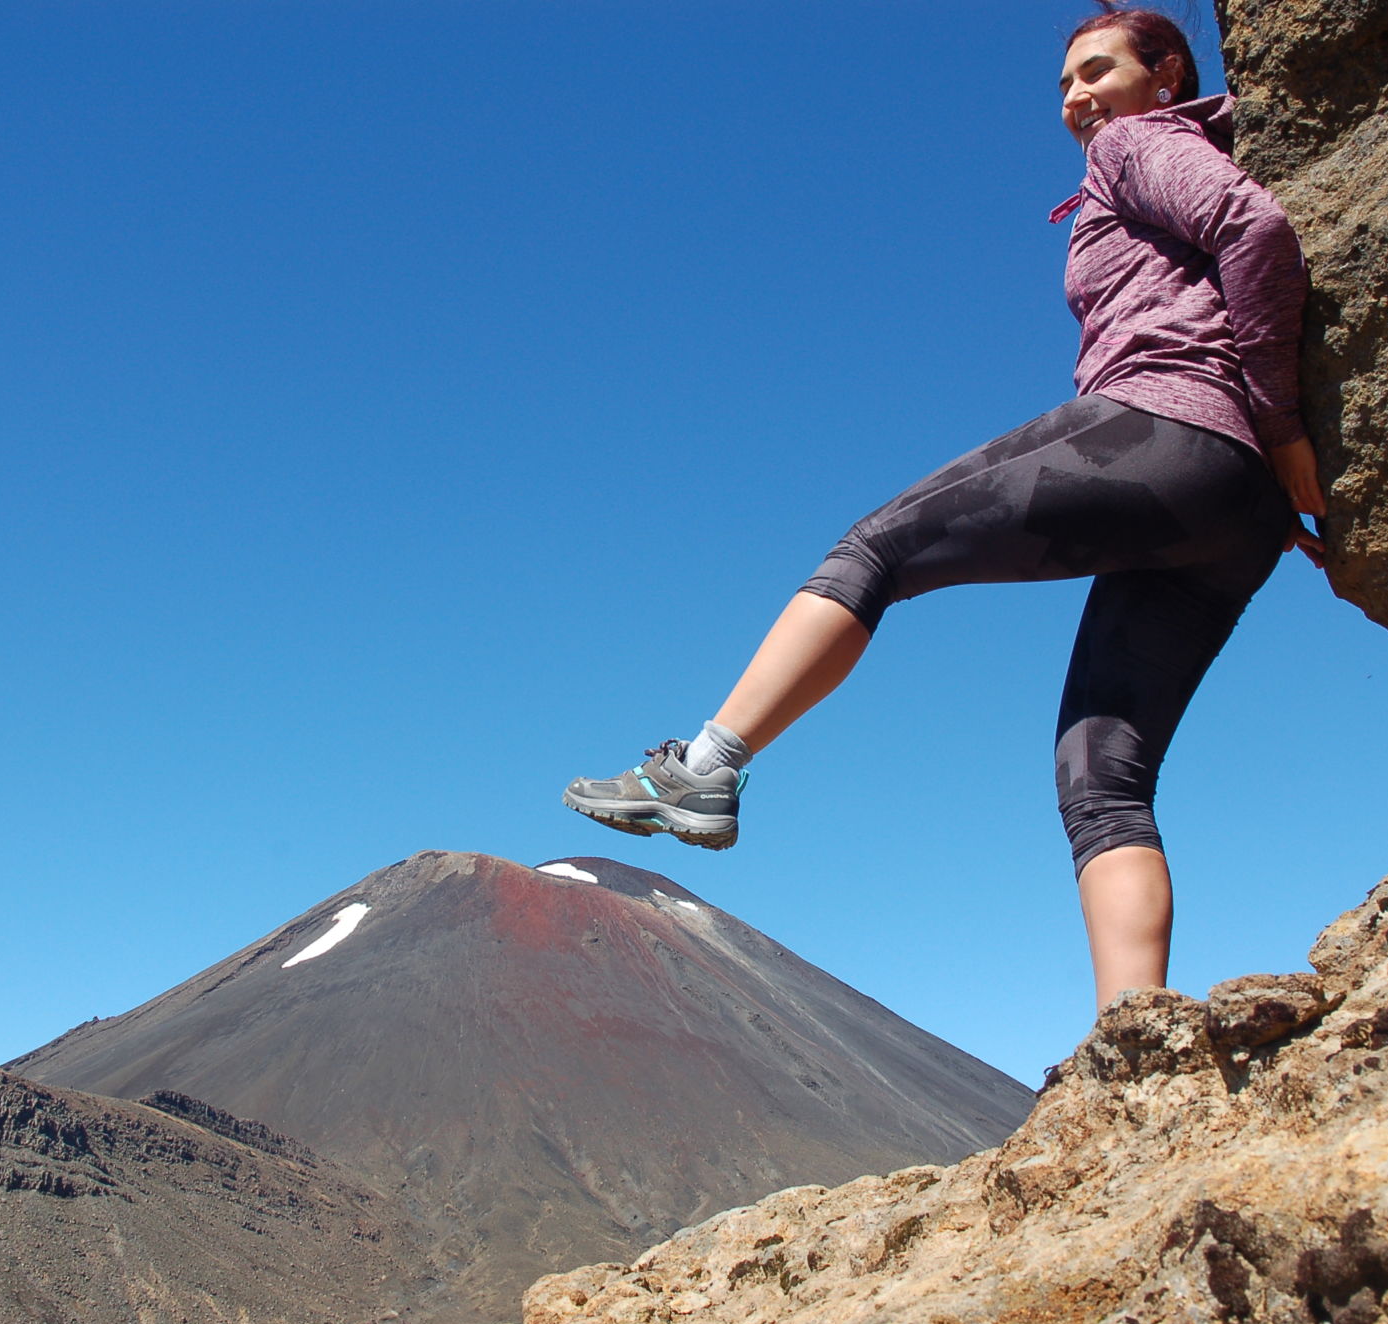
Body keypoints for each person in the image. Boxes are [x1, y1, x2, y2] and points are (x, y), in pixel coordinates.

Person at [562, 3, 1327, 1011]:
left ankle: (703, 766)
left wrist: (1278, 427)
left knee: (873, 548)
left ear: (1167, 73)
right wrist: (1277, 459)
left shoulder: (1137, 146)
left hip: (1168, 433)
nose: (1074, 101)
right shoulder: (1162, 149)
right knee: (1101, 781)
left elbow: (1249, 226)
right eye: (1061, 87)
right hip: (1237, 520)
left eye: (1096, 72)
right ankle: (1132, 1045)